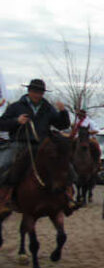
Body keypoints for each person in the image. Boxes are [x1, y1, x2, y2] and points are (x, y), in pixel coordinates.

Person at [0, 79, 73, 216]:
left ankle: (68, 196)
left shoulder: (47, 108)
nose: (37, 95)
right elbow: (2, 123)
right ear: (29, 91)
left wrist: (63, 112)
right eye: (34, 91)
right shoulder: (16, 107)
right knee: (5, 164)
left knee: (66, 165)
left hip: (43, 145)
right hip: (21, 142)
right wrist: (17, 121)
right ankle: (4, 198)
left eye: (40, 92)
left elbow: (62, 125)